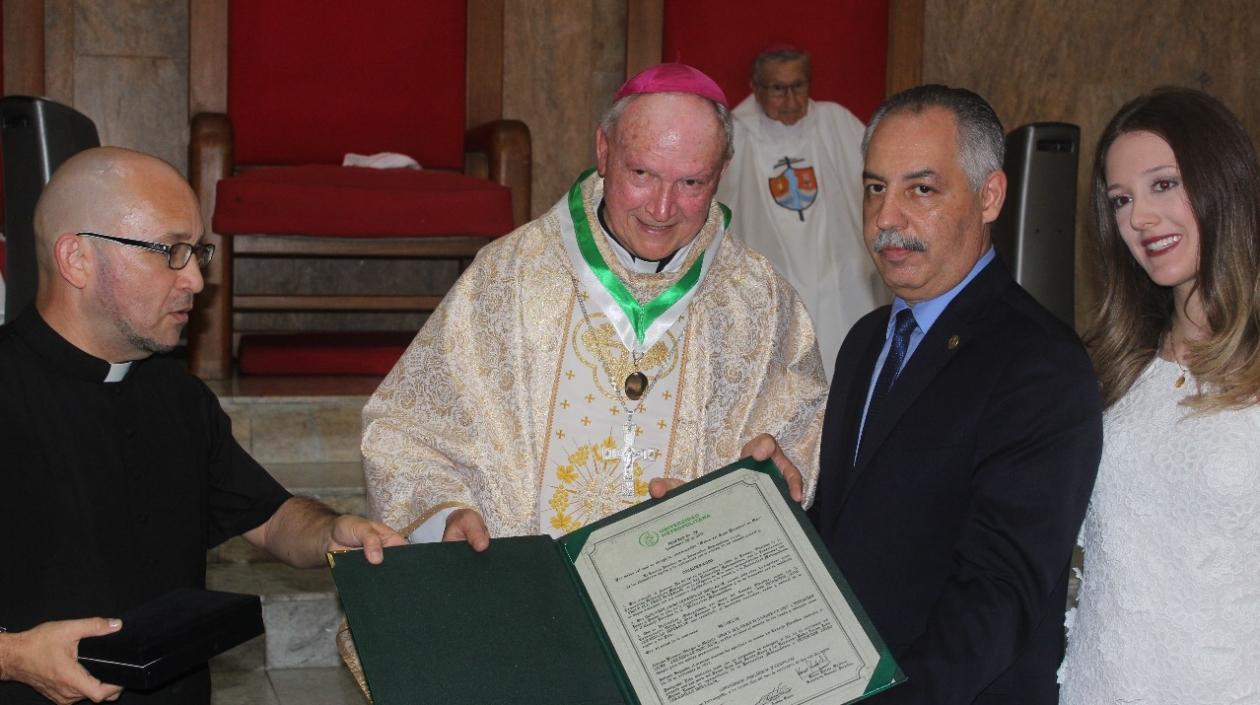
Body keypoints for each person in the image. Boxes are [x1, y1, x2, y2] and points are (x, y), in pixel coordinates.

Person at [0, 147, 405, 705]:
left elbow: (268, 517)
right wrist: (15, 657)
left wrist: (329, 534)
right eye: (171, 251)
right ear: (77, 259)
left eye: (197, 253)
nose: (195, 278)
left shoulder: (178, 394)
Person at [361, 63, 826, 546]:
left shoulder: (759, 301)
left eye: (691, 183)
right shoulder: (510, 275)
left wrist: (771, 476)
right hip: (531, 599)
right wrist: (447, 514)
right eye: (642, 173)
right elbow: (407, 431)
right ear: (604, 152)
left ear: (721, 174)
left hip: (680, 598)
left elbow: (796, 439)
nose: (661, 209)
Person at [781, 85, 1101, 704]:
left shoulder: (1040, 363)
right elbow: (855, 532)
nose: (887, 219)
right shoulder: (868, 340)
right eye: (876, 187)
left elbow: (1000, 593)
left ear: (990, 196)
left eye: (920, 189)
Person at [1057, 88, 1260, 704]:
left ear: (1221, 181)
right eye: (1121, 200)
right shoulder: (1110, 370)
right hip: (1097, 683)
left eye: (1163, 184)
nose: (1139, 218)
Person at [716, 45, 887, 380]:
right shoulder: (734, 133)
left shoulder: (835, 121)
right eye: (779, 89)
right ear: (755, 88)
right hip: (768, 268)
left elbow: (877, 177)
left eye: (799, 87)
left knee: (851, 274)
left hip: (835, 263)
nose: (792, 101)